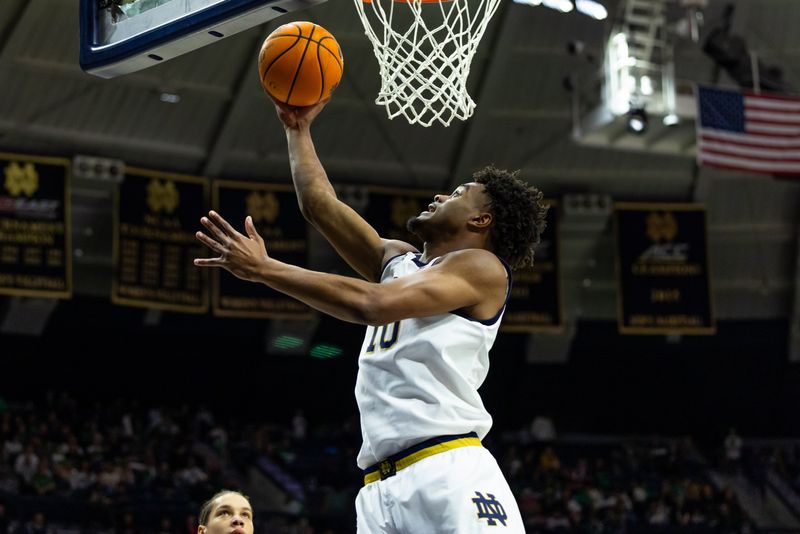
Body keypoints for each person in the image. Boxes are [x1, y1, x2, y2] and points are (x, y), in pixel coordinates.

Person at [194, 98, 548, 533]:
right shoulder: (399, 260)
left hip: (447, 469)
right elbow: (318, 205)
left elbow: (370, 305)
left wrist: (266, 269)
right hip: (379, 488)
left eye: (458, 195)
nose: (440, 195)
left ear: (481, 220)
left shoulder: (482, 269)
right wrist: (297, 130)